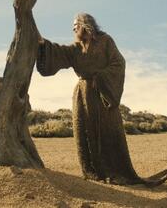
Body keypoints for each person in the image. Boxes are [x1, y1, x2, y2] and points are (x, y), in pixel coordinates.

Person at [37, 13, 143, 184]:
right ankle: (94, 171)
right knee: (86, 132)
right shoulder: (76, 48)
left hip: (104, 95)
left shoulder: (106, 41)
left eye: (75, 25)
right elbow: (58, 52)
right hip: (83, 96)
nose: (73, 29)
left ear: (84, 24)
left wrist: (100, 77)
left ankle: (116, 171)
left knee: (109, 131)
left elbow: (119, 63)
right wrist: (42, 44)